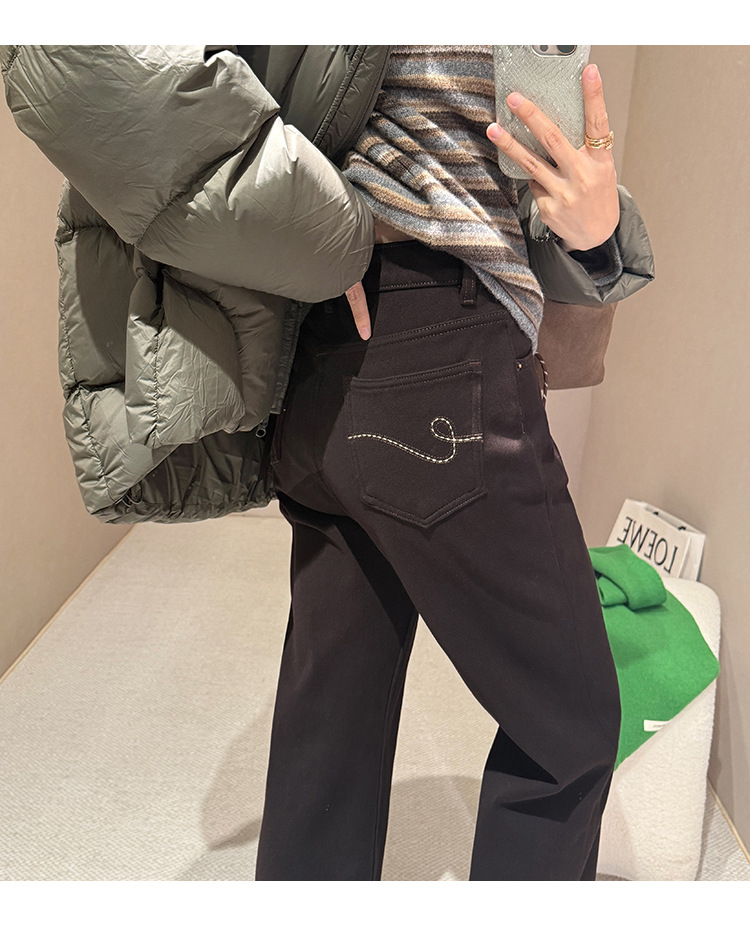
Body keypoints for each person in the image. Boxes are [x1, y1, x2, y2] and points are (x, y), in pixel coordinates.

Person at [1, 44, 653, 880]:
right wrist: (322, 232)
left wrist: (595, 232)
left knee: (332, 724)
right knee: (572, 726)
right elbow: (69, 54)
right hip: (440, 355)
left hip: (323, 363)